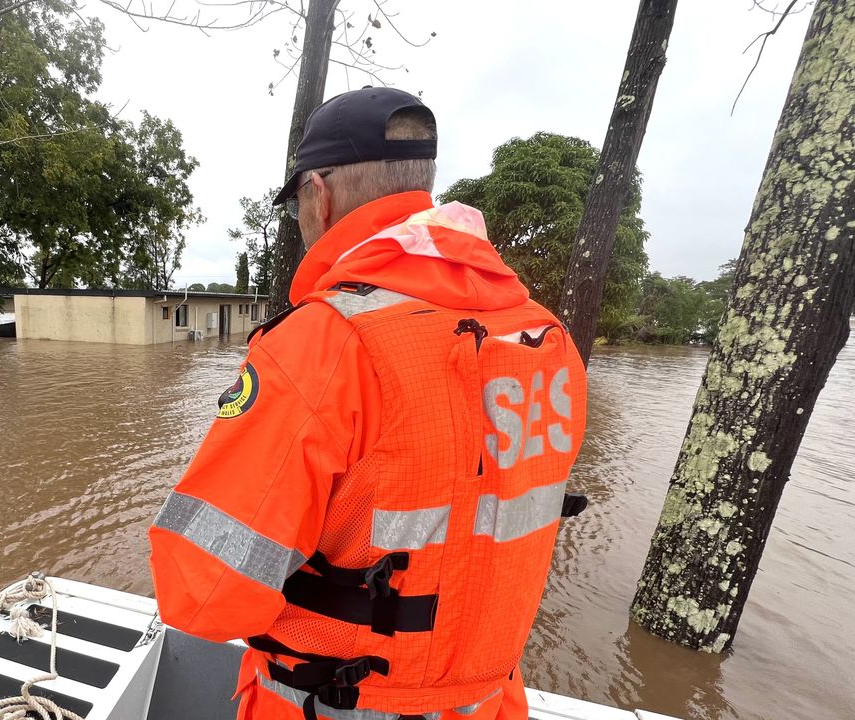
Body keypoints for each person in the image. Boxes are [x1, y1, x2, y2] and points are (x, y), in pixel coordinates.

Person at [148, 87, 589, 720]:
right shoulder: (546, 339)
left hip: (331, 705)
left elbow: (205, 595)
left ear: (317, 196)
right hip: (488, 704)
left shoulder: (324, 345)